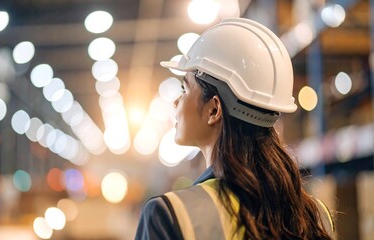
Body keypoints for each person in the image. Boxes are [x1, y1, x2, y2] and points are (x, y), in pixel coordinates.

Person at [135, 18, 334, 240]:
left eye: (184, 88)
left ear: (214, 110)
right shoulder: (315, 215)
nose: (175, 102)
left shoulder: (170, 215)